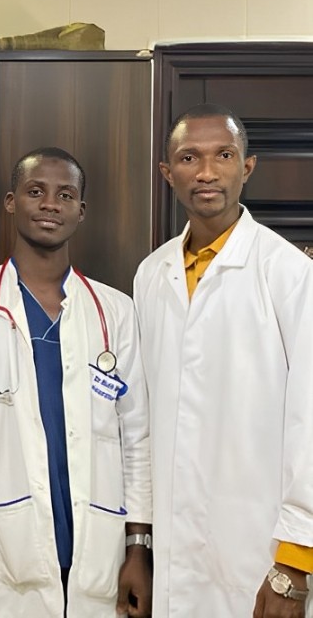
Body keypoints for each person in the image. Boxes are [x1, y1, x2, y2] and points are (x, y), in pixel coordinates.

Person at [0, 147, 152, 617]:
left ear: (80, 211)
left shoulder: (115, 311)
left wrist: (138, 549)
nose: (50, 204)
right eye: (35, 191)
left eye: (65, 195)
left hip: (99, 550)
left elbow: (136, 440)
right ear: (11, 202)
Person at [134, 103, 313, 617]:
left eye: (224, 155)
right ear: (168, 172)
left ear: (247, 167)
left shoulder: (288, 273)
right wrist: (140, 546)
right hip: (175, 554)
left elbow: (309, 422)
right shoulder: (150, 275)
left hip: (260, 555)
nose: (207, 172)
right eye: (189, 157)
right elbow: (144, 421)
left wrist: (294, 564)